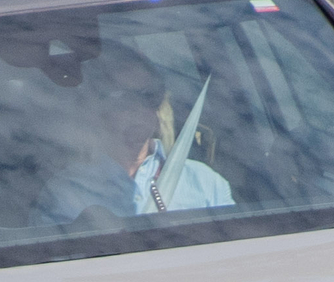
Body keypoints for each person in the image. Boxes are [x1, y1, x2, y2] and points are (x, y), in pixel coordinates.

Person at [34, 47, 233, 224]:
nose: (139, 108)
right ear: (97, 109)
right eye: (123, 97)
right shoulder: (65, 193)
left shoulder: (206, 183)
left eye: (149, 96)